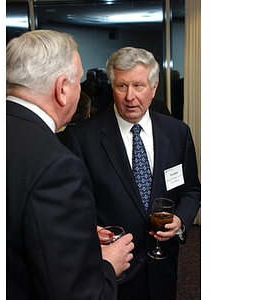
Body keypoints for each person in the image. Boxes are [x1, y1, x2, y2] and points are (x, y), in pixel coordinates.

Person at [59, 47, 201, 300]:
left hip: (163, 262)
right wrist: (91, 230)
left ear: (154, 88)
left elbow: (191, 190)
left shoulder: (178, 132)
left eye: (138, 86)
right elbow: (71, 205)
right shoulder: (82, 137)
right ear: (112, 87)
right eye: (122, 86)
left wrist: (179, 220)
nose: (130, 97)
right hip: (114, 270)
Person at [6, 30, 134, 300]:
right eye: (79, 81)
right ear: (62, 89)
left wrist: (81, 235)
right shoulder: (57, 166)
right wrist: (108, 265)